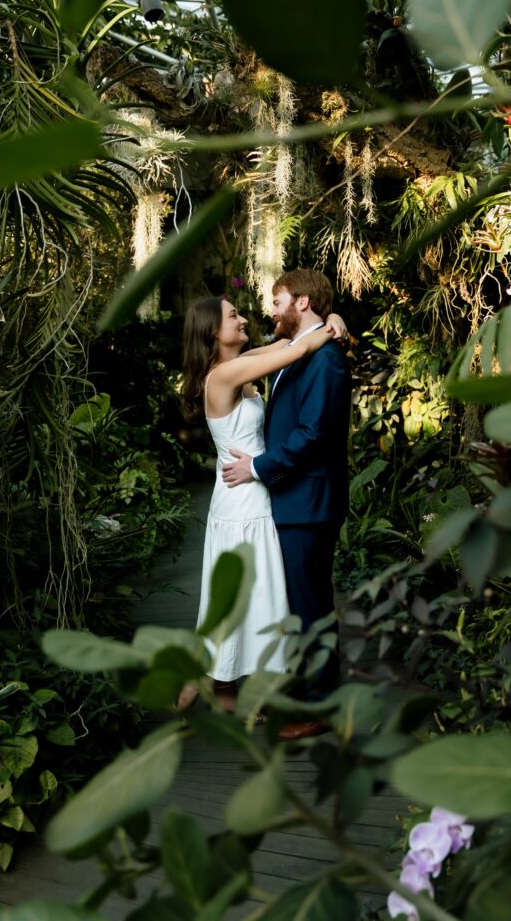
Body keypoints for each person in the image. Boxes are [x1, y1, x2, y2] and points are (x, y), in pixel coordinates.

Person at [179, 294, 345, 712]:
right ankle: (205, 675)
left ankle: (225, 684)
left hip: (254, 490)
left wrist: (332, 318)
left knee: (251, 592)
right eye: (232, 315)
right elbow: (303, 346)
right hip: (242, 498)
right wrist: (331, 325)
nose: (242, 318)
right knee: (250, 591)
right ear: (212, 331)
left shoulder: (244, 361)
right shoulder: (225, 375)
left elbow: (295, 340)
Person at [222, 269, 351, 739]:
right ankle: (307, 693)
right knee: (299, 602)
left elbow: (313, 434)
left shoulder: (327, 359)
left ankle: (322, 707)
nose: (269, 311)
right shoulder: (300, 350)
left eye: (276, 302)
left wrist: (257, 466)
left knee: (310, 603)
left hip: (310, 500)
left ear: (300, 302)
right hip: (294, 500)